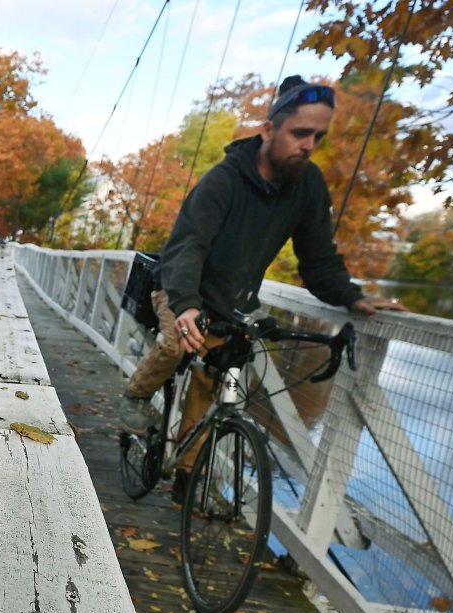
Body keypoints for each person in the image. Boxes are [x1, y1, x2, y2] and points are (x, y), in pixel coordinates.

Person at [117, 75, 402, 499]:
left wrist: (352, 296)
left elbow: (318, 258)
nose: (308, 145)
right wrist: (187, 306)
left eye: (318, 137)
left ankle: (185, 473)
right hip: (179, 288)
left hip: (232, 302)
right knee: (179, 343)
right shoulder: (224, 180)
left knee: (212, 378)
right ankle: (136, 396)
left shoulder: (307, 185)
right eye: (300, 133)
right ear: (269, 129)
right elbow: (187, 248)